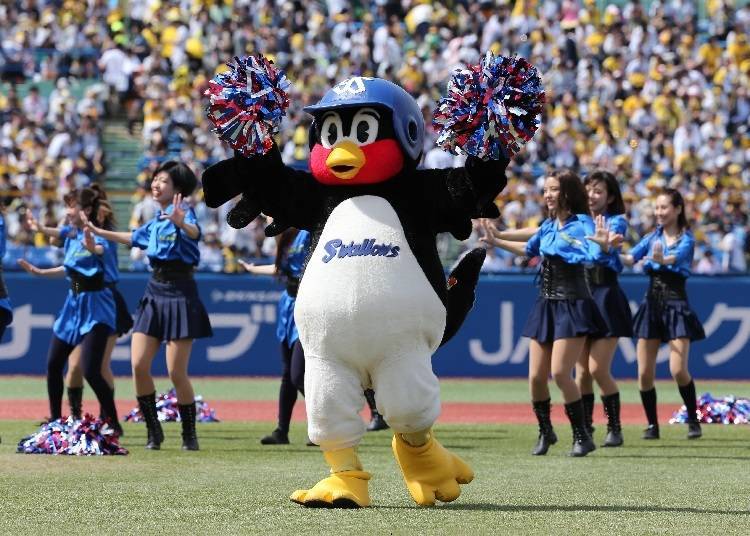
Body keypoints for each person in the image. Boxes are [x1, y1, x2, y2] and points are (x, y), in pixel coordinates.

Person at [84, 161, 212, 451]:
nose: (156, 184)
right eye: (155, 179)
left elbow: (194, 232)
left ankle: (189, 435)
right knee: (138, 365)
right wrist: (99, 232)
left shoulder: (184, 213)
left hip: (181, 292)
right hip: (154, 291)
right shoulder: (155, 221)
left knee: (176, 372)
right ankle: (154, 432)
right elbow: (133, 238)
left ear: (177, 188)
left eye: (163, 181)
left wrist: (182, 223)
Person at [479, 169, 606, 457]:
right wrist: (496, 240)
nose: (547, 194)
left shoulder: (582, 223)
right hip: (546, 302)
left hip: (573, 303)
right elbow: (529, 249)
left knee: (561, 373)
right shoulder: (549, 226)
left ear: (567, 192)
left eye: (553, 189)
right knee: (536, 377)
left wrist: (602, 246)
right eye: (546, 189)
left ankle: (582, 435)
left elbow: (591, 251)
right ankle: (546, 431)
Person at [20, 187, 122, 434]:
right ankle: (56, 419)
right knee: (54, 363)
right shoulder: (72, 233)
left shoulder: (98, 234)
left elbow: (99, 249)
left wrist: (92, 247)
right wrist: (41, 270)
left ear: (86, 210)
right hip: (73, 302)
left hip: (97, 305)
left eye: (71, 206)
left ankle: (113, 422)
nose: (68, 211)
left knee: (91, 371)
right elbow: (71, 269)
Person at [621, 188, 705, 440]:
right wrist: (607, 249)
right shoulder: (651, 237)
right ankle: (652, 425)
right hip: (652, 305)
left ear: (678, 209)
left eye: (664, 207)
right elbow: (630, 258)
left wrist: (659, 259)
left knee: (678, 369)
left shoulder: (686, 239)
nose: (659, 212)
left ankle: (693, 418)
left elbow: (675, 259)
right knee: (644, 373)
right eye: (657, 207)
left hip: (676, 303)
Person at [239, 227, 313, 445]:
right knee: (287, 375)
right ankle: (282, 431)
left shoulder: (307, 232)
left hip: (306, 303)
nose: (268, 219)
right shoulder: (287, 236)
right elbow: (283, 269)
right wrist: (253, 269)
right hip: (289, 304)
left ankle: (327, 421)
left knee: (298, 375)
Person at [575, 171, 632, 447]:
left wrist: (606, 242)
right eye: (588, 189)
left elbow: (613, 241)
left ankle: (615, 427)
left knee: (598, 369)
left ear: (610, 197)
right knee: (581, 372)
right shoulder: (577, 221)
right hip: (581, 294)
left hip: (606, 295)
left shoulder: (617, 220)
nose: (591, 195)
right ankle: (585, 427)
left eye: (598, 190)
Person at [64, 196, 133, 422]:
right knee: (74, 367)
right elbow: (73, 277)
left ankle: (107, 419)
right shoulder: (76, 238)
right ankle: (74, 416)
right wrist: (74, 291)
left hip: (106, 301)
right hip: (81, 304)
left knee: (100, 366)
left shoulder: (104, 241)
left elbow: (103, 275)